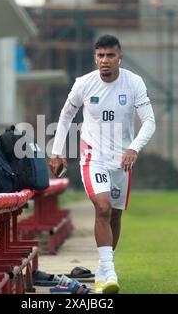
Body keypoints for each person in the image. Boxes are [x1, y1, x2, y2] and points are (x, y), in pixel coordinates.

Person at [49, 34, 156, 294]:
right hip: (92, 156)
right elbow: (65, 116)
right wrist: (57, 152)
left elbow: (150, 121)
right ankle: (110, 270)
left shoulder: (134, 83)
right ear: (95, 58)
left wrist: (133, 148)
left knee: (115, 216)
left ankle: (102, 272)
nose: (105, 61)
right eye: (100, 56)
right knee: (103, 208)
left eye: (110, 55)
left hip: (121, 161)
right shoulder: (84, 84)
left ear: (120, 57)